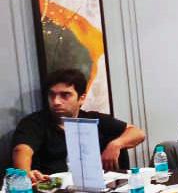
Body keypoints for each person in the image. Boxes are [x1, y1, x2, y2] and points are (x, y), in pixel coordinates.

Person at [11, 68, 145, 181]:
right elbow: (22, 150)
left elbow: (137, 133)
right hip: (54, 190)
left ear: (81, 98)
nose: (56, 101)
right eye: (52, 95)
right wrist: (25, 174)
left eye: (65, 95)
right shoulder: (34, 122)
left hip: (99, 188)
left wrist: (116, 144)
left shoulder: (93, 118)